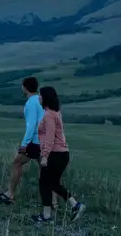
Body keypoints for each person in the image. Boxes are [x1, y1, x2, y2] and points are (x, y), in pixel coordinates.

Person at [34, 86, 87, 224]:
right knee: (52, 183)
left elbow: (50, 138)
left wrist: (45, 156)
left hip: (54, 154)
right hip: (62, 154)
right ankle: (75, 205)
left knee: (44, 182)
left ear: (46, 98)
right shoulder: (56, 113)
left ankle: (46, 216)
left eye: (40, 96)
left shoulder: (49, 115)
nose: (39, 98)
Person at [0, 76, 43, 206]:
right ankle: (54, 203)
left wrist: (24, 145)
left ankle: (10, 194)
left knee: (16, 163)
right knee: (47, 171)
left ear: (24, 88)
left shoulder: (30, 103)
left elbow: (31, 126)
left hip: (35, 141)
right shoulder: (41, 100)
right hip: (45, 140)